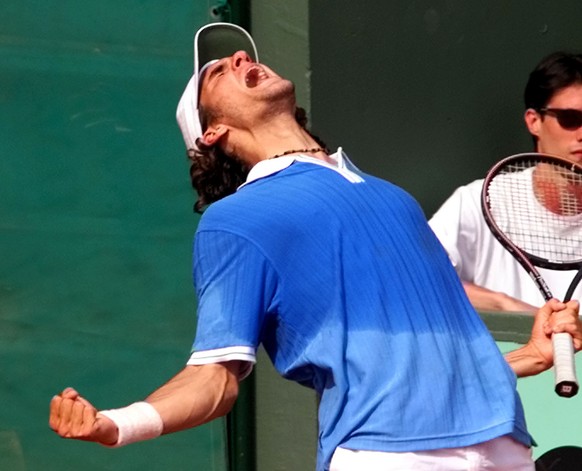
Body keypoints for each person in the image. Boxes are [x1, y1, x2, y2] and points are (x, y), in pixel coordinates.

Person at [49, 23, 582, 471]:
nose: (239, 57)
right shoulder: (235, 220)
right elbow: (214, 379)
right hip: (389, 454)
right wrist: (115, 424)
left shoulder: (389, 197)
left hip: (505, 443)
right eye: (219, 72)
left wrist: (528, 356)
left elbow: (429, 354)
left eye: (239, 57)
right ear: (212, 133)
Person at [429, 52, 582, 313]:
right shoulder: (476, 203)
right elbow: (416, 278)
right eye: (570, 119)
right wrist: (507, 305)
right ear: (534, 122)